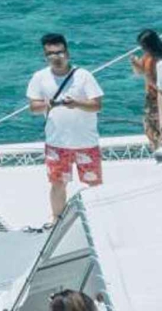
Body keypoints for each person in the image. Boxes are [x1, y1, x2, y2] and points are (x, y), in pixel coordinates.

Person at [26, 33, 104, 223]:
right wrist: (47, 104)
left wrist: (77, 103)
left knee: (94, 184)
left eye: (59, 52)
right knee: (58, 184)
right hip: (57, 143)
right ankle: (57, 221)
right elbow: (33, 107)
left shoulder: (84, 76)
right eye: (50, 54)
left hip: (86, 142)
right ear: (45, 56)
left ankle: (100, 220)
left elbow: (96, 105)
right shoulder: (39, 77)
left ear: (67, 53)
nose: (56, 57)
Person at [130, 28, 162, 149]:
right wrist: (135, 64)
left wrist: (148, 76)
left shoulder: (161, 58)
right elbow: (140, 72)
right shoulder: (148, 56)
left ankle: (160, 148)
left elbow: (156, 82)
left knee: (157, 127)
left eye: (143, 45)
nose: (142, 48)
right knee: (150, 126)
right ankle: (157, 147)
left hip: (160, 97)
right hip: (152, 96)